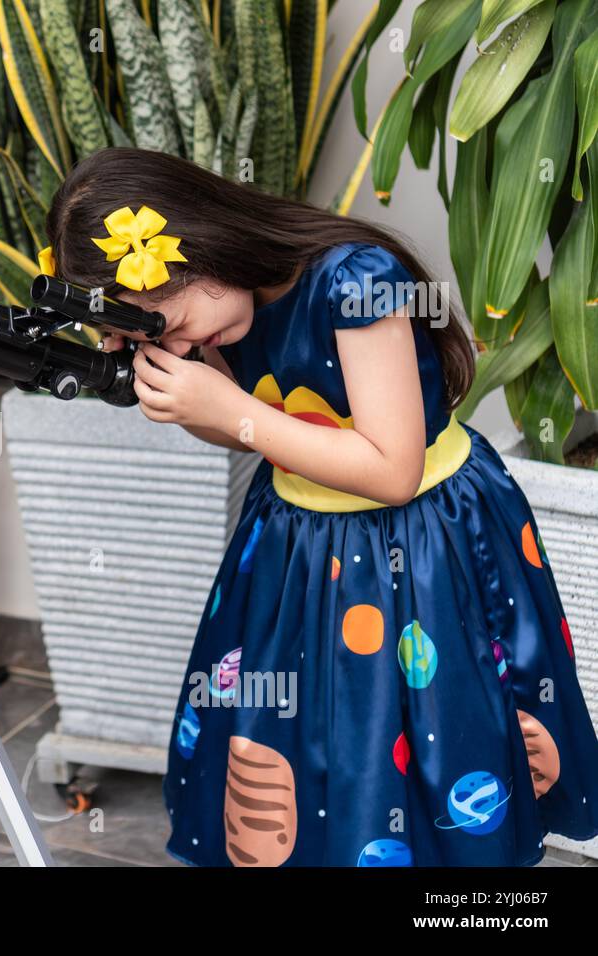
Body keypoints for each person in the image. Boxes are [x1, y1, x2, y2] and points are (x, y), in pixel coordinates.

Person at [39, 147, 598, 866]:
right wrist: (189, 398)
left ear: (203, 246)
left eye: (168, 320)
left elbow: (392, 470)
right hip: (297, 544)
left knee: (434, 731)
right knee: (308, 741)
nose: (177, 343)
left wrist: (227, 408)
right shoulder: (222, 318)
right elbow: (246, 428)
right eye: (153, 334)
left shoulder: (357, 281)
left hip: (422, 542)